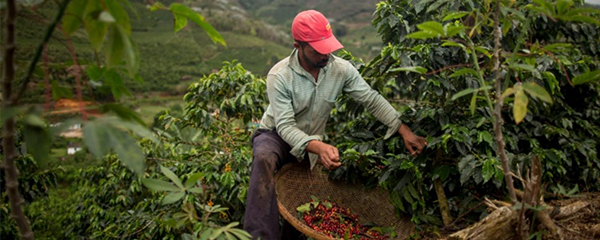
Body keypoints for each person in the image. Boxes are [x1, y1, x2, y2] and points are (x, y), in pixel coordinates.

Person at [243, 10, 427, 240]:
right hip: (276, 135)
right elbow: (285, 126)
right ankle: (259, 236)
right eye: (318, 49)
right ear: (298, 46)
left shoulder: (341, 70)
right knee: (264, 156)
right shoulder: (279, 76)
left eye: (328, 46)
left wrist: (403, 130)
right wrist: (319, 147)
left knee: (300, 204)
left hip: (310, 140)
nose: (326, 54)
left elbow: (370, 98)